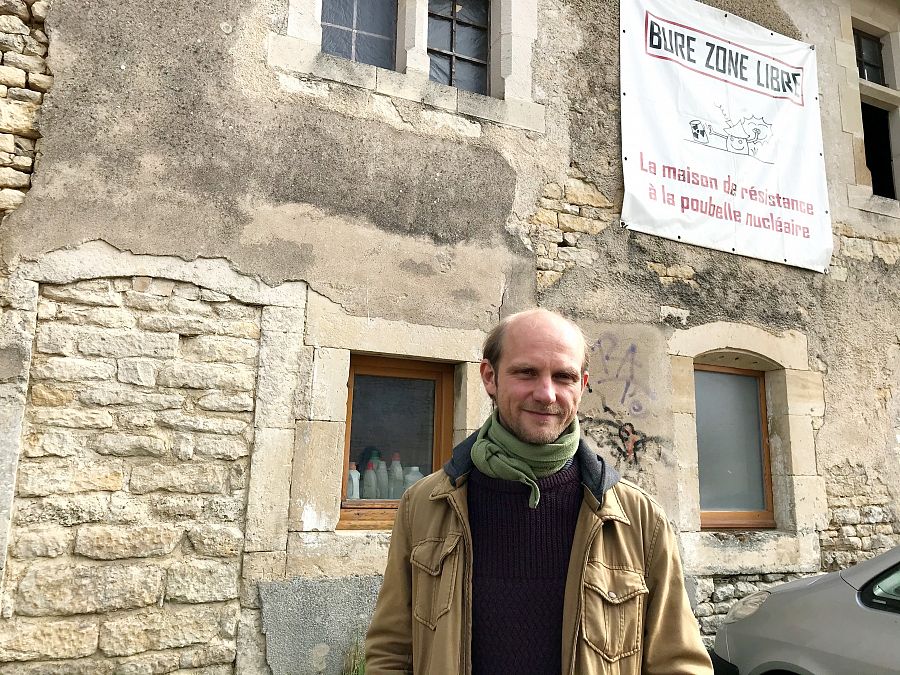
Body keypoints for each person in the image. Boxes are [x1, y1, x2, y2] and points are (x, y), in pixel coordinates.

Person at [365, 309, 712, 675]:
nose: (546, 394)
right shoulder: (424, 505)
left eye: (564, 376)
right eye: (526, 372)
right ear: (490, 377)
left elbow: (679, 663)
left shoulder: (640, 520)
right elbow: (391, 651)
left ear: (582, 385)